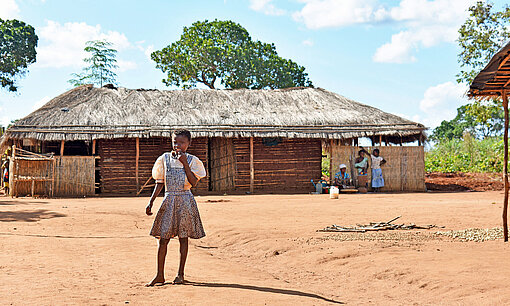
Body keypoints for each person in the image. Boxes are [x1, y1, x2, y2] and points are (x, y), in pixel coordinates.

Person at [145, 130, 206, 287]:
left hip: (185, 201)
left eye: (181, 143)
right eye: (175, 142)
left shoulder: (193, 161)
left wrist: (185, 163)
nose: (177, 145)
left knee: (183, 238)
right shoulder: (164, 159)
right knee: (163, 239)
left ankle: (180, 274)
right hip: (169, 199)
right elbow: (160, 182)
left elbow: (193, 183)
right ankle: (159, 275)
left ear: (188, 144)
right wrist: (151, 201)